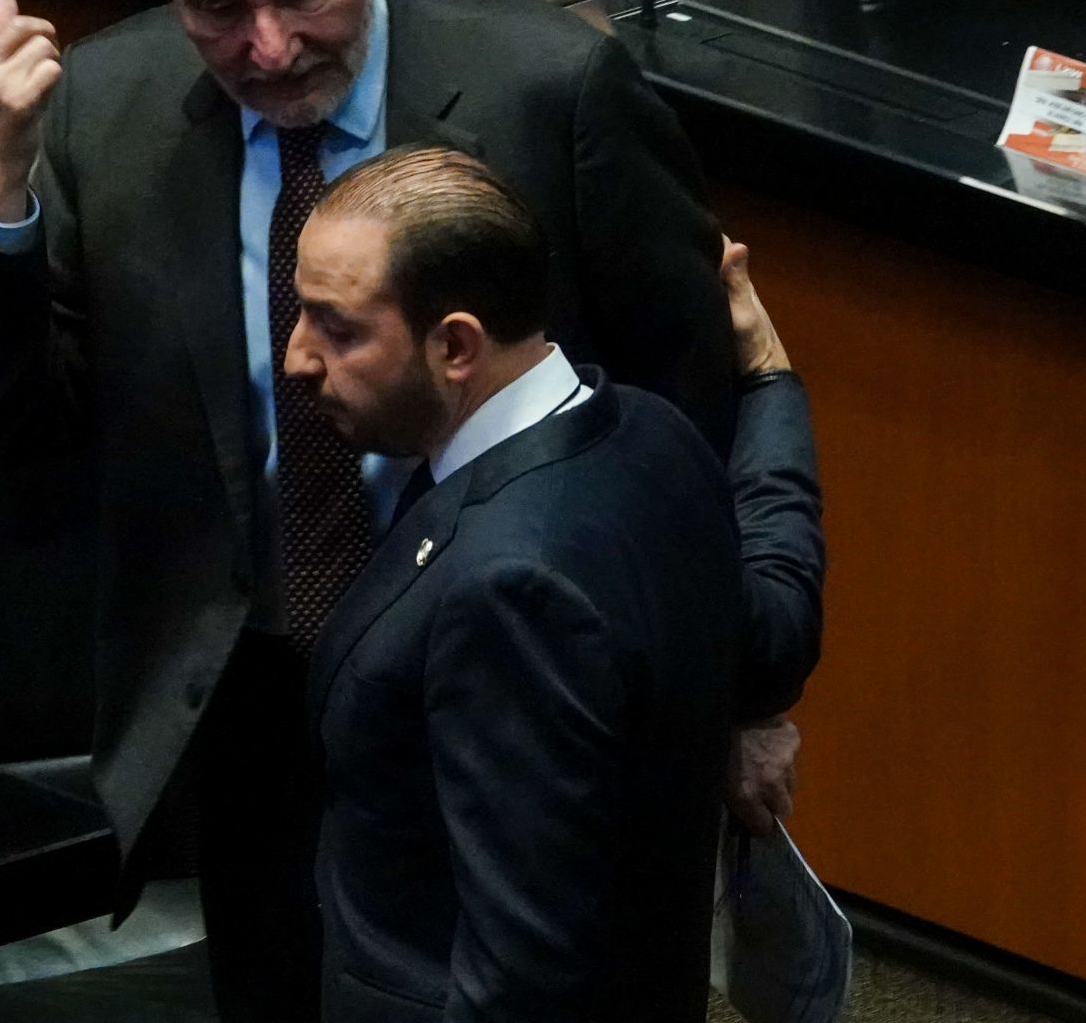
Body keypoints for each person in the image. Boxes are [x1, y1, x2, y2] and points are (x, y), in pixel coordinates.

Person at [0, 0, 812, 1021]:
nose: (272, 46)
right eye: (219, 10)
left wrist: (741, 692)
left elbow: (677, 403)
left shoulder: (552, 92)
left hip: (519, 674)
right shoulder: (105, 108)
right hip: (256, 695)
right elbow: (20, 430)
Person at [288, 145, 819, 1023]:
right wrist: (769, 383)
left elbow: (522, 977)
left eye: (337, 329)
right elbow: (777, 621)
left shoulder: (509, 590)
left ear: (456, 345)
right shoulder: (653, 437)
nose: (299, 356)